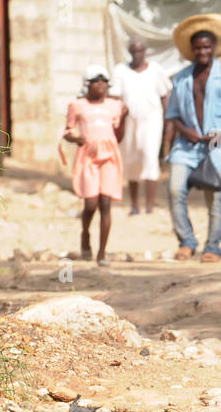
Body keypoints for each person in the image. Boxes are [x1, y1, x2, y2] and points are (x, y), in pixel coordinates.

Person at [163, 14, 221, 263]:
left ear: (213, 48)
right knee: (174, 190)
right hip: (185, 145)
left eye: (206, 46)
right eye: (197, 47)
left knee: (214, 195)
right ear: (191, 50)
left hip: (216, 145)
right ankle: (186, 242)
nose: (202, 51)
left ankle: (212, 247)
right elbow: (172, 115)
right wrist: (186, 132)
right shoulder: (181, 78)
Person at [60, 65, 127, 266]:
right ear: (87, 85)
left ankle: (102, 253)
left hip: (109, 156)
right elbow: (68, 130)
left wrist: (124, 117)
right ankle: (85, 234)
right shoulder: (77, 105)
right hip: (88, 156)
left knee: (106, 203)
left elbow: (118, 136)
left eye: (104, 81)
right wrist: (75, 139)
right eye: (96, 82)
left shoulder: (114, 106)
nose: (100, 85)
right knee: (91, 204)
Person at [110, 38, 172, 215]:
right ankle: (135, 205)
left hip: (152, 121)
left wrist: (169, 122)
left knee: (149, 156)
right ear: (130, 52)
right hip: (128, 122)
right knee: (131, 160)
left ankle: (150, 206)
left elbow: (164, 96)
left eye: (140, 51)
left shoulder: (156, 71)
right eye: (134, 51)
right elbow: (115, 98)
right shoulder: (121, 71)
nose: (137, 55)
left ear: (145, 52)